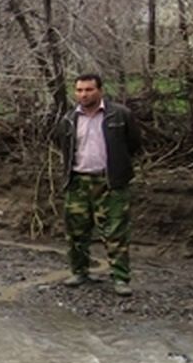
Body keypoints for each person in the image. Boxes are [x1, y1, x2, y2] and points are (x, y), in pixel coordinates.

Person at [53, 73, 142, 296]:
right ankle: (79, 271)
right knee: (76, 232)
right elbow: (60, 143)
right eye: (80, 90)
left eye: (89, 90)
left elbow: (134, 144)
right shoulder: (69, 119)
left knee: (116, 231)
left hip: (110, 181)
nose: (84, 94)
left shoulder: (119, 115)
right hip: (78, 181)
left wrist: (119, 169)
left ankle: (120, 278)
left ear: (100, 90)